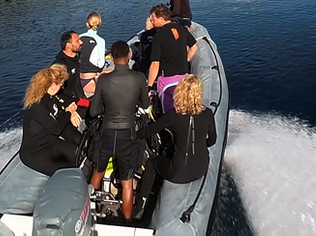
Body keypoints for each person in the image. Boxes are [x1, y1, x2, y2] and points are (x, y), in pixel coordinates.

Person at [89, 41, 150, 219]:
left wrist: (106, 108)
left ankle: (92, 214)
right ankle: (127, 221)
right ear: (129, 56)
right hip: (127, 135)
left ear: (112, 58)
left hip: (107, 132)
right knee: (127, 182)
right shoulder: (139, 78)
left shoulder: (104, 79)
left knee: (97, 174)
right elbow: (145, 104)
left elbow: (93, 111)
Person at [138, 74, 216, 184]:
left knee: (151, 163)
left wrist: (133, 134)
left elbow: (148, 131)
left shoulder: (173, 115)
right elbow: (212, 140)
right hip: (201, 169)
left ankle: (141, 200)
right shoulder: (208, 113)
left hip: (178, 173)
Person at [20, 65, 84, 176]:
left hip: (51, 142)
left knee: (79, 155)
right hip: (35, 152)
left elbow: (65, 105)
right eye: (61, 85)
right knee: (68, 171)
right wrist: (69, 112)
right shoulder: (37, 107)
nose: (62, 88)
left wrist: (72, 112)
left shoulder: (51, 97)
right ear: (53, 85)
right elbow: (56, 128)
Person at [145, 4, 197, 112]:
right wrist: (186, 59)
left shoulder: (158, 37)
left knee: (169, 113)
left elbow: (155, 64)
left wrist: (149, 86)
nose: (151, 21)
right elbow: (194, 47)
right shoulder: (182, 29)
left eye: (153, 18)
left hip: (167, 80)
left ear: (161, 18)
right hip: (183, 78)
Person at [79, 12, 108, 97]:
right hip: (91, 80)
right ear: (99, 23)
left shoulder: (79, 37)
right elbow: (100, 65)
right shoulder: (100, 41)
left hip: (79, 77)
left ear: (87, 24)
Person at [54, 30, 84, 110]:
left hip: (79, 99)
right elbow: (54, 91)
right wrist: (71, 105)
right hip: (68, 104)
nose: (81, 42)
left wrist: (84, 100)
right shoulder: (60, 64)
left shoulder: (76, 57)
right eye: (77, 41)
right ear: (69, 45)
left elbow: (77, 83)